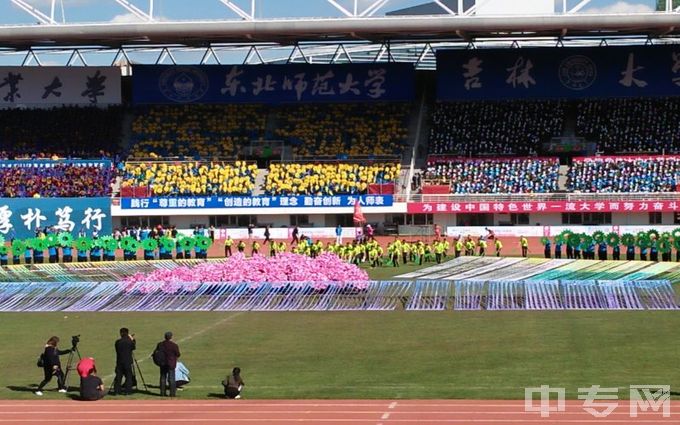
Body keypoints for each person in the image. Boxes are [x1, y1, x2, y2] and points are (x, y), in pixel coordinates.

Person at [156, 331, 180, 398]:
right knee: (171, 378)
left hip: (162, 363)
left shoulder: (160, 344)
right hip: (171, 363)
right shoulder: (174, 345)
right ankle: (172, 393)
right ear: (171, 337)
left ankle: (162, 393)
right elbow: (178, 354)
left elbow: (156, 352)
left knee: (162, 377)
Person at [113, 328, 136, 396]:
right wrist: (132, 339)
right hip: (128, 361)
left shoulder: (117, 342)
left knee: (118, 377)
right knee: (129, 377)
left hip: (119, 361)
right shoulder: (129, 342)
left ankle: (117, 391)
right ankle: (128, 391)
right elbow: (133, 347)